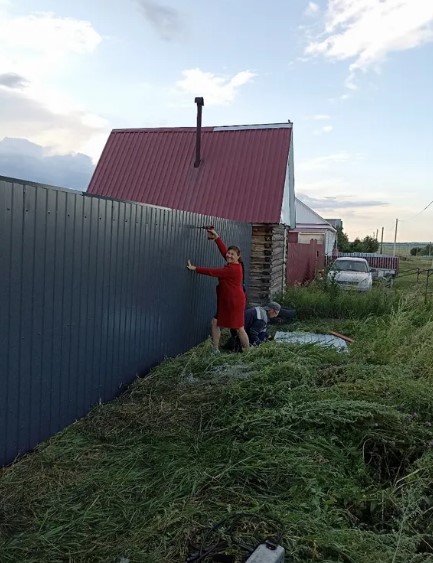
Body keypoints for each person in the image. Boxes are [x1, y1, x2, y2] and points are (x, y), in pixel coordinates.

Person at [187, 229, 249, 352]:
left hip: (234, 302)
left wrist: (195, 268)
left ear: (238, 256)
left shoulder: (232, 269)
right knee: (215, 322)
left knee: (239, 328)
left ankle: (248, 351)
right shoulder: (235, 264)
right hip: (228, 300)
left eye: (232, 254)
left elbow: (213, 272)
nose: (229, 255)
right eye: (229, 253)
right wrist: (217, 238)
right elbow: (224, 252)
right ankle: (215, 350)